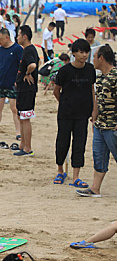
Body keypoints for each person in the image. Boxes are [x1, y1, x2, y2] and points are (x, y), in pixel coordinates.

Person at [52, 39, 96, 188]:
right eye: (81, 52)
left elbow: (91, 90)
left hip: (82, 114)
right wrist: (64, 103)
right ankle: (60, 171)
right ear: (74, 53)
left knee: (79, 144)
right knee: (62, 142)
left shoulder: (90, 69)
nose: (84, 55)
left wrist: (93, 109)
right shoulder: (65, 71)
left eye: (86, 52)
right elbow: (56, 91)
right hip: (65, 113)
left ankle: (76, 176)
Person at [76, 45, 117, 197]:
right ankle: (95, 188)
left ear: (101, 58)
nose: (92, 59)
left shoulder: (115, 76)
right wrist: (94, 117)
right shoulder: (99, 78)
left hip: (113, 125)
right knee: (98, 156)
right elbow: (97, 99)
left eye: (94, 56)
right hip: (100, 124)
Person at [14, 25, 38, 157]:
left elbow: (33, 65)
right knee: (21, 116)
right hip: (22, 89)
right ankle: (23, 145)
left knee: (25, 118)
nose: (17, 37)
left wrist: (28, 73)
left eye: (18, 35)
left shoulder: (29, 50)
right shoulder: (27, 50)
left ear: (24, 36)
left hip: (27, 89)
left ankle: (27, 148)